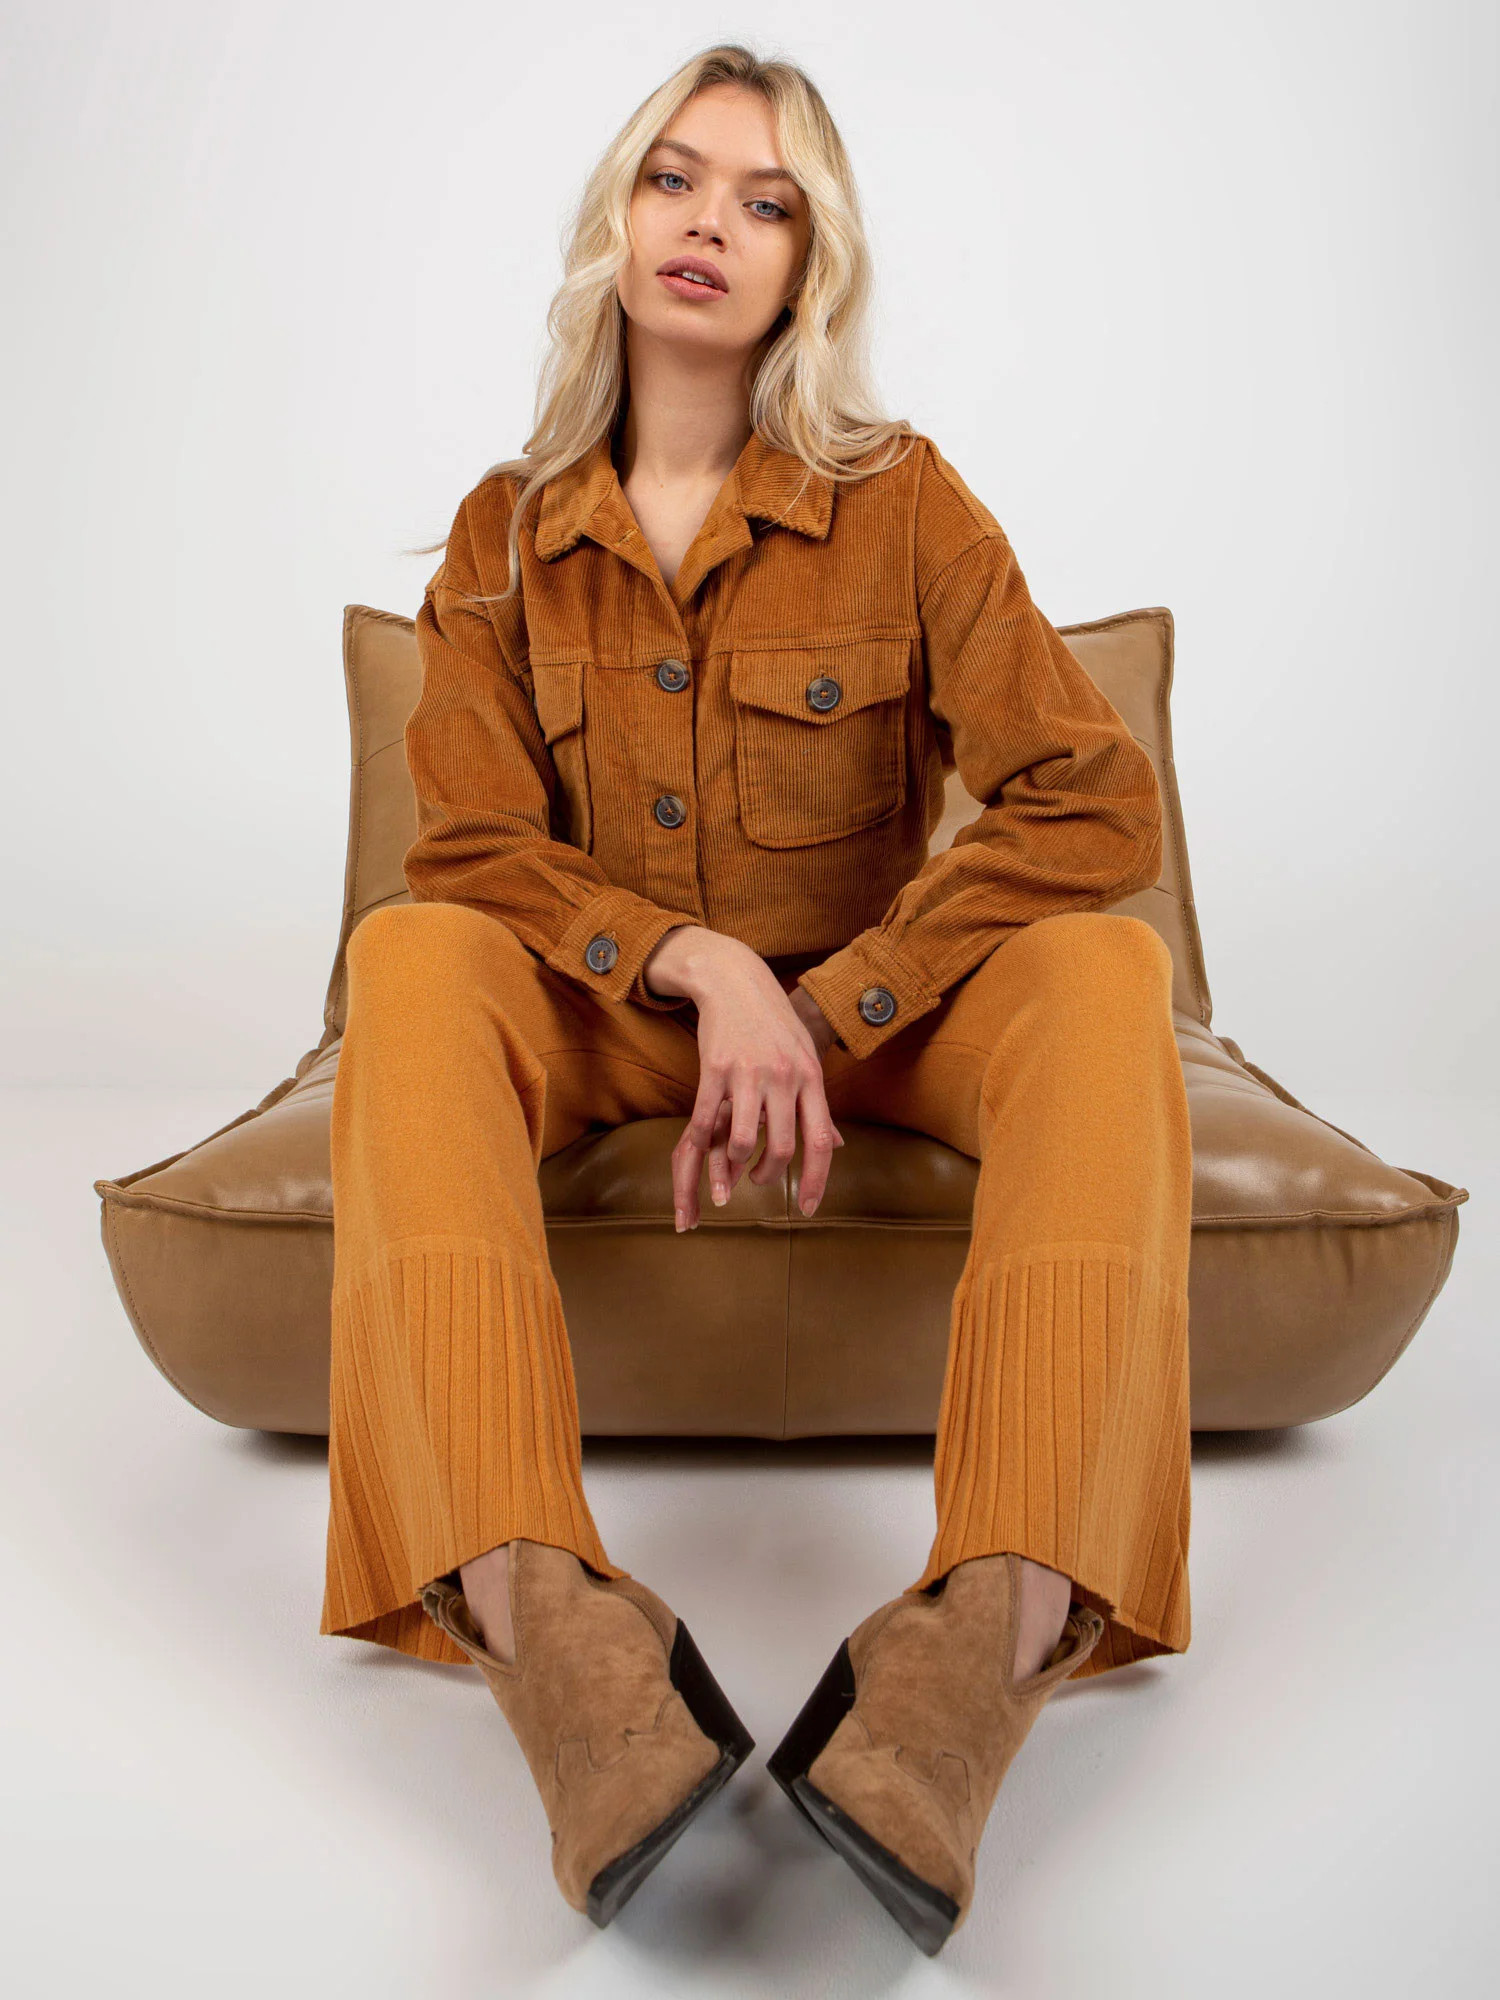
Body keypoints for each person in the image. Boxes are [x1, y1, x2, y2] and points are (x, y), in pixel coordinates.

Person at [320, 42, 1193, 1955]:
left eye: (766, 200)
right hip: (618, 1015)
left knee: (1108, 967)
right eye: (675, 178)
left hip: (880, 1032)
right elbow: (469, 847)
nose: (709, 222)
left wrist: (843, 994)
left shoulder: (905, 502)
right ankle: (557, 1636)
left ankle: (982, 1647)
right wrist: (701, 966)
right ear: (618, 219)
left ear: (811, 265)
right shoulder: (502, 535)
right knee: (411, 952)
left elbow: (1094, 798)